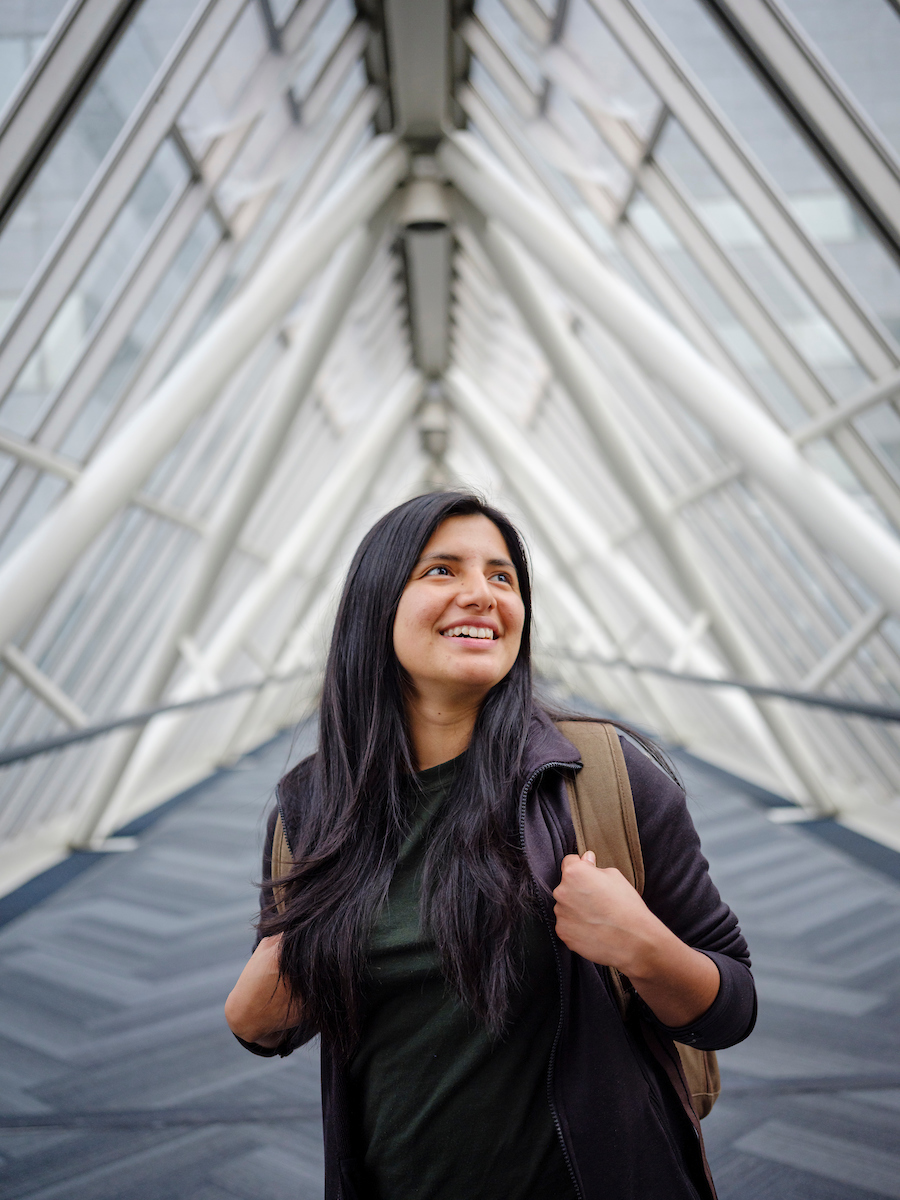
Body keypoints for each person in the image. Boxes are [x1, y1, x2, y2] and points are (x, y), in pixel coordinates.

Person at [225, 491, 755, 1200]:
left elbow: (732, 1007)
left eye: (502, 577)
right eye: (442, 571)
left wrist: (642, 946)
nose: (481, 594)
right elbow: (279, 1021)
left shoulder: (601, 777)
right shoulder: (313, 805)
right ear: (375, 606)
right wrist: (255, 1009)